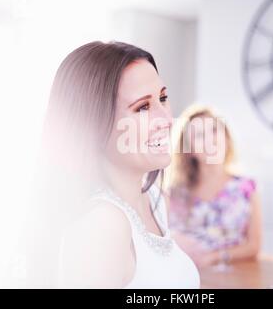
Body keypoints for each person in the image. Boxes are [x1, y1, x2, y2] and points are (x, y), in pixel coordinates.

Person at [32, 41, 200, 288]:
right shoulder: (102, 225)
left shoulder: (156, 201)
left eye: (163, 98)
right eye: (142, 107)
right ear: (93, 124)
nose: (166, 119)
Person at [168, 106, 261, 268]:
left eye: (214, 130)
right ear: (188, 149)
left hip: (233, 278)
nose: (210, 140)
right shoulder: (173, 194)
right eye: (199, 135)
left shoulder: (247, 188)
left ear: (226, 137)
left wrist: (215, 257)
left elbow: (253, 246)